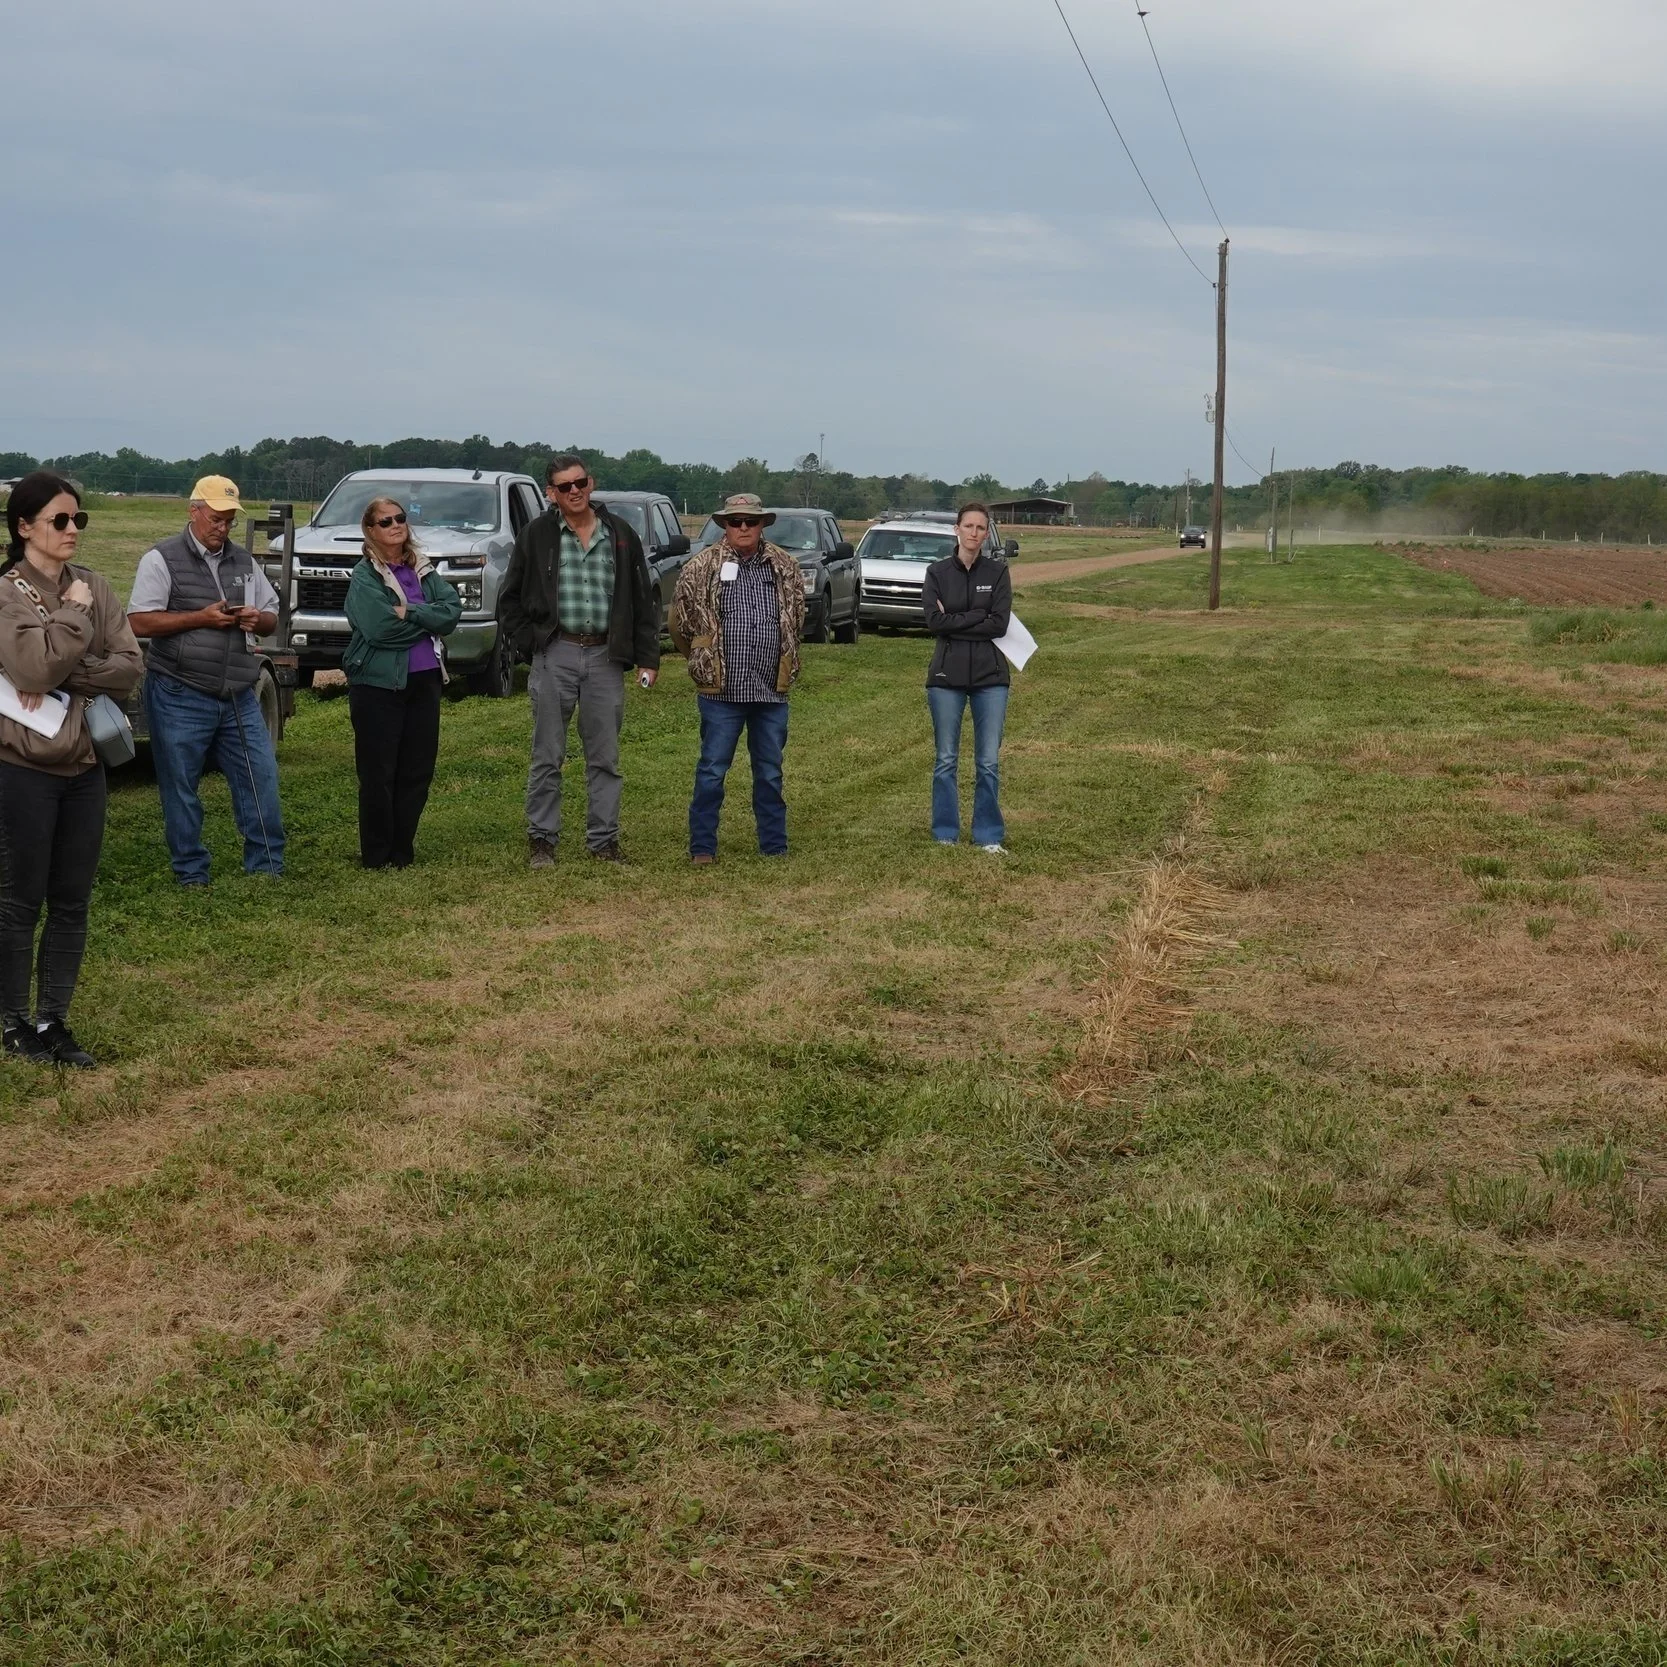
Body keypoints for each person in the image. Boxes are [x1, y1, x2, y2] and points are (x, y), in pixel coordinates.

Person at [0, 471, 143, 1068]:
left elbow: (130, 668)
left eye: (78, 519)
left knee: (71, 900)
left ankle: (52, 1017)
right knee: (18, 899)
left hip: (85, 766)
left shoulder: (95, 585)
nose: (72, 530)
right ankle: (11, 1023)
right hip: (22, 768)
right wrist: (76, 620)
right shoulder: (6, 594)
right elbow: (33, 670)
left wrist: (66, 669)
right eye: (60, 520)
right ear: (24, 526)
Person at [497, 453, 661, 867]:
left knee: (605, 757)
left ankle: (603, 841)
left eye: (581, 482)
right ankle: (542, 840)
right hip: (556, 652)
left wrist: (648, 657)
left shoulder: (620, 534)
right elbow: (509, 599)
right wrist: (532, 643)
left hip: (607, 656)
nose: (575, 491)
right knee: (547, 753)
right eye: (565, 486)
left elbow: (643, 601)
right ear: (551, 493)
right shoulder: (536, 536)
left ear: (591, 483)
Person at [127, 476, 286, 886]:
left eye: (230, 520)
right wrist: (201, 617)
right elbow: (139, 621)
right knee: (181, 787)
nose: (223, 527)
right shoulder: (160, 559)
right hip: (180, 690)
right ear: (193, 511)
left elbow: (271, 614)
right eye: (216, 518)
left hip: (238, 692)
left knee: (260, 778)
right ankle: (191, 873)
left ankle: (267, 868)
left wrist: (258, 619)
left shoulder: (243, 561)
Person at [672, 493, 807, 865]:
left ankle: (774, 845)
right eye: (735, 521)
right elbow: (679, 625)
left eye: (751, 520)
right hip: (720, 693)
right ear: (724, 525)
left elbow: (796, 618)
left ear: (763, 523)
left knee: (770, 773)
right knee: (712, 771)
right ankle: (702, 847)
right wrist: (703, 658)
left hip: (770, 690)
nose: (743, 527)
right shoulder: (700, 566)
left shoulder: (785, 565)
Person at [342, 497, 461, 869]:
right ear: (371, 531)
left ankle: (402, 850)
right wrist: (429, 622)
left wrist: (410, 611)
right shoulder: (365, 575)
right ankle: (376, 854)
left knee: (416, 769)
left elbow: (452, 612)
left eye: (400, 518)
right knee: (379, 772)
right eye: (385, 521)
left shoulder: (423, 569)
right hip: (378, 684)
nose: (395, 525)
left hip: (424, 679)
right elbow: (378, 629)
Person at [922, 502, 1013, 853]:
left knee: (988, 761)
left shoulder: (998, 572)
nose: (974, 533)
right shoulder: (937, 573)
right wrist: (978, 616)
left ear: (987, 533)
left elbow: (1000, 624)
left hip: (991, 677)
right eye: (969, 526)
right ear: (956, 529)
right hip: (946, 678)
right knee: (946, 758)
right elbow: (934, 623)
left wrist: (957, 619)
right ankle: (946, 832)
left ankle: (988, 836)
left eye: (981, 527)